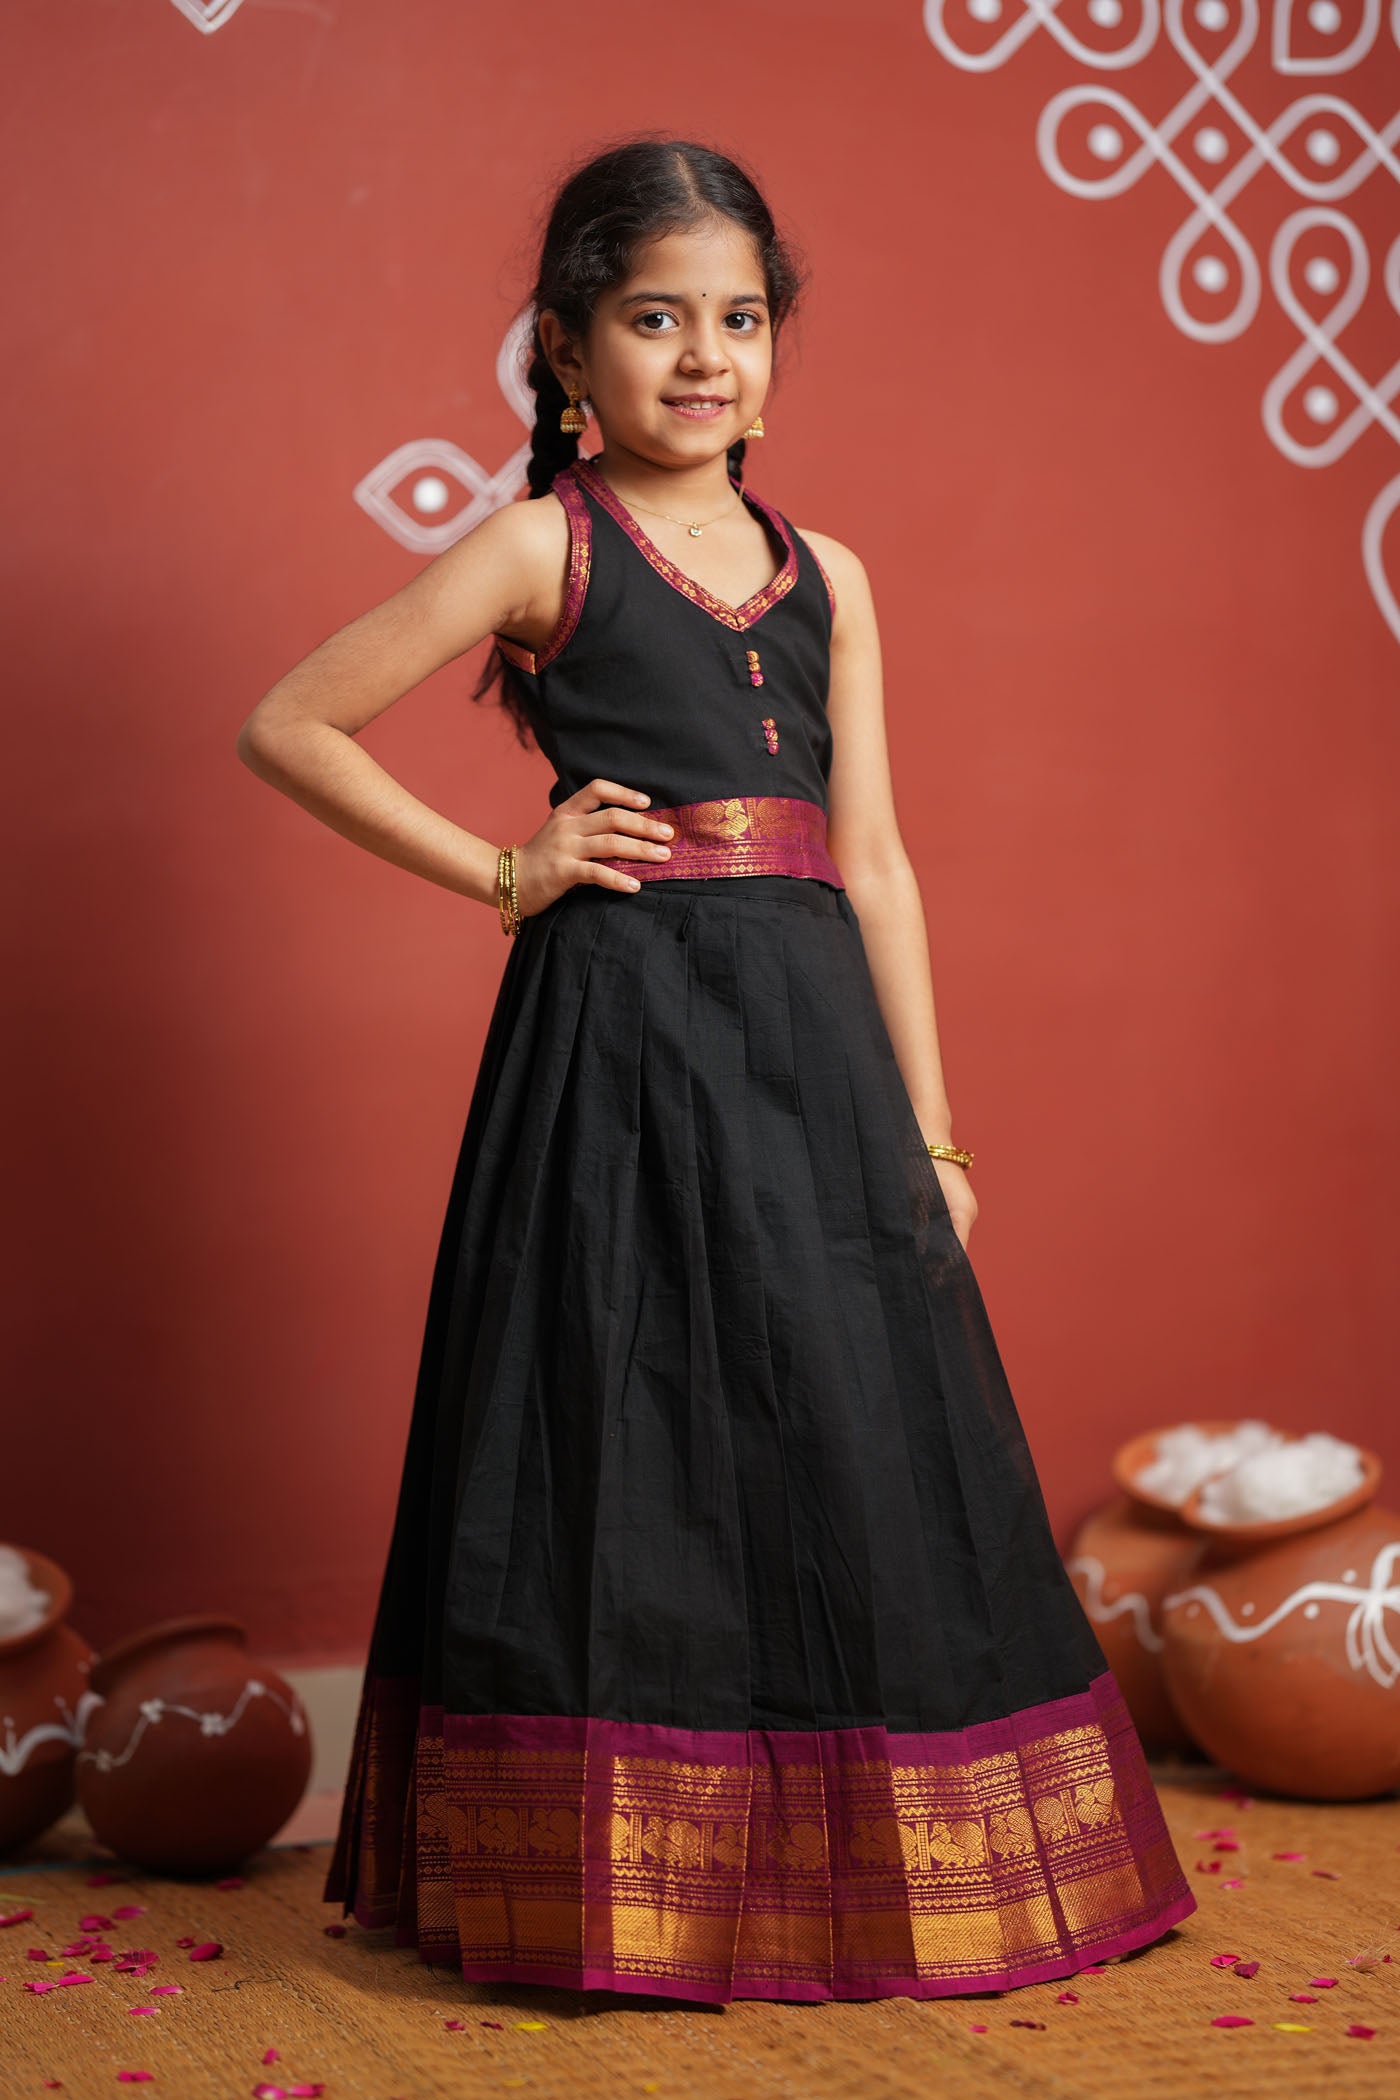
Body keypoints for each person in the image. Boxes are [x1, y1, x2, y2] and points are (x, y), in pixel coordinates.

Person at [235, 135, 1196, 2006]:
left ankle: (833, 1880)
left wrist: (935, 1136)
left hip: (819, 1056)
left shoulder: (831, 574)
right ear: (565, 350)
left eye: (739, 320)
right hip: (616, 1051)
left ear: (773, 348)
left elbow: (879, 861)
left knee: (838, 1431)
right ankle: (628, 1900)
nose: (702, 358)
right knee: (624, 1433)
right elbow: (292, 722)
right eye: (655, 318)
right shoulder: (545, 544)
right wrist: (505, 873)